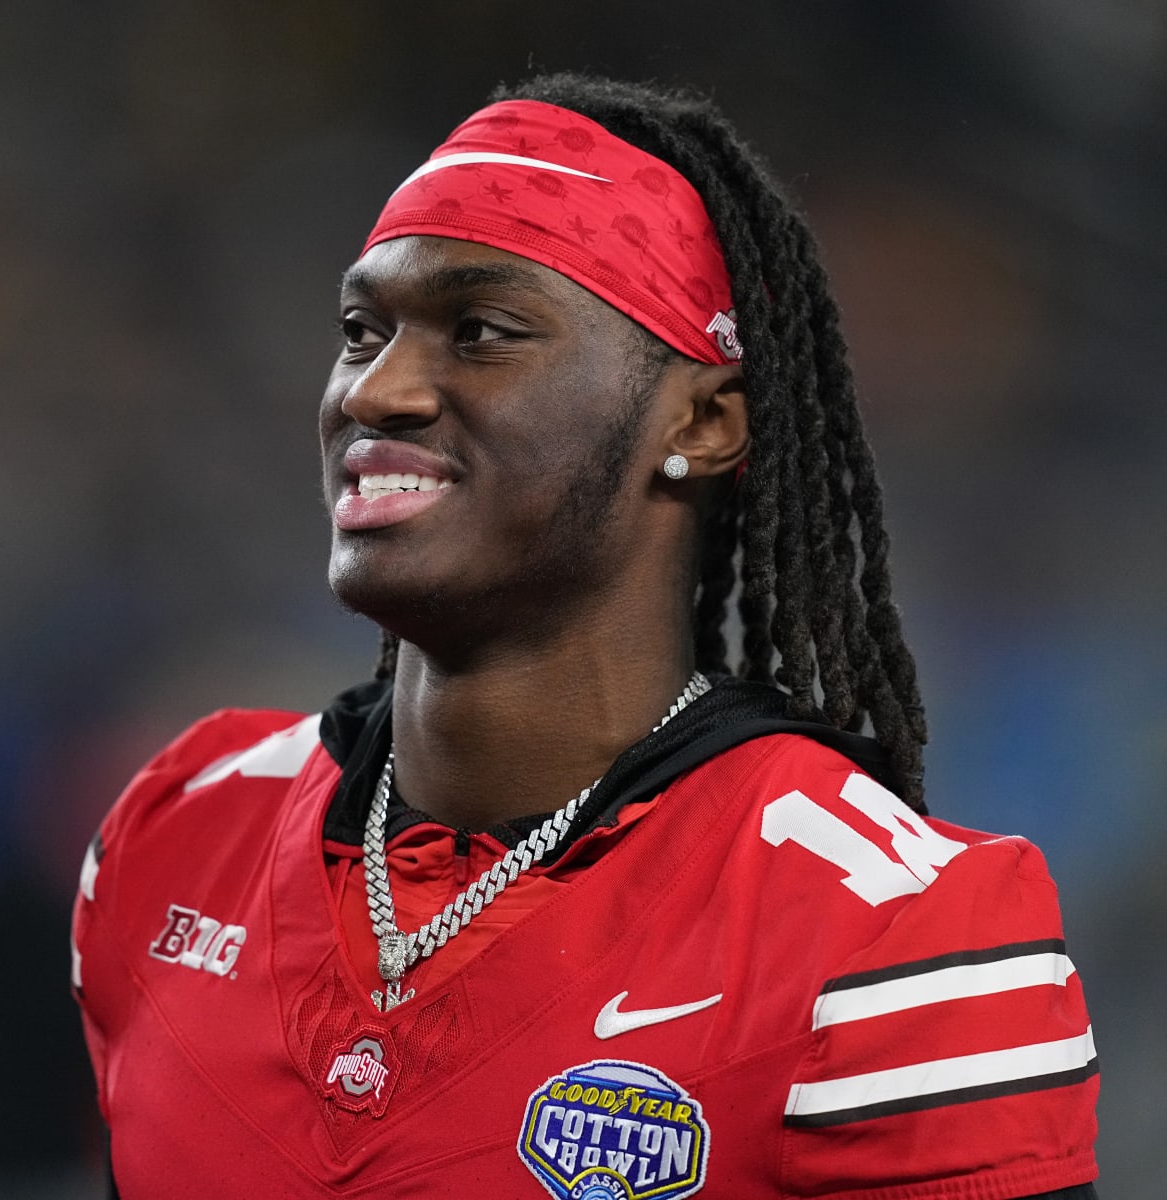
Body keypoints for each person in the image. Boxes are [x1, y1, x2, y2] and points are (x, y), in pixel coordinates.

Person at [70, 73, 1099, 1199]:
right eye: (363, 332)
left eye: (483, 333)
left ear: (702, 425)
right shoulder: (176, 838)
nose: (377, 392)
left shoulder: (892, 934)